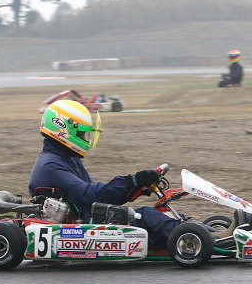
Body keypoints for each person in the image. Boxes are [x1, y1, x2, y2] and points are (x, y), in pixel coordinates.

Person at [28, 99, 181, 249]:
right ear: (63, 129)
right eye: (81, 133)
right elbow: (92, 196)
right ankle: (188, 238)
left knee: (158, 212)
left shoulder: (66, 159)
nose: (84, 138)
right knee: (146, 216)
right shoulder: (51, 166)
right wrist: (131, 181)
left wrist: (134, 188)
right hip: (84, 225)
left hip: (90, 215)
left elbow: (95, 193)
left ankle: (190, 232)